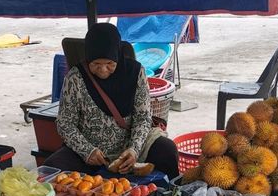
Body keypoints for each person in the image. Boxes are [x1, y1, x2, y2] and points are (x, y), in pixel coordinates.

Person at [45, 23, 179, 178]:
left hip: (131, 145)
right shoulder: (75, 78)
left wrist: (134, 149)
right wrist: (87, 150)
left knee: (167, 150)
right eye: (96, 64)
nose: (103, 70)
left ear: (117, 55)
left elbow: (143, 118)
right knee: (53, 166)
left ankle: (172, 195)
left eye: (110, 64)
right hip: (91, 149)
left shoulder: (135, 73)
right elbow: (65, 123)